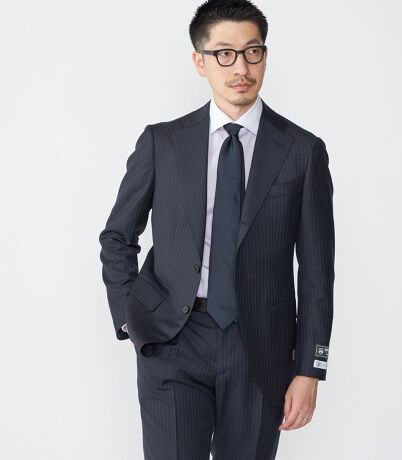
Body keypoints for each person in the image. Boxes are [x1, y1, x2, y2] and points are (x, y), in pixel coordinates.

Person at [98, 0, 335, 458]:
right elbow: (117, 238)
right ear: (200, 62)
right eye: (224, 53)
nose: (241, 67)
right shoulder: (162, 142)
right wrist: (131, 316)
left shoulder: (303, 151)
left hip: (261, 349)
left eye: (252, 51)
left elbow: (316, 273)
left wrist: (310, 368)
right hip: (173, 339)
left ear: (265, 56)